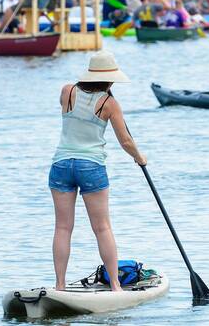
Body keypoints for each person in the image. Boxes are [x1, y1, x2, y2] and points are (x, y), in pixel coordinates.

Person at [49, 51, 146, 292]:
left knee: (62, 228)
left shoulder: (67, 91)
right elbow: (125, 141)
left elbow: (76, 113)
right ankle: (115, 286)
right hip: (90, 166)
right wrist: (139, 157)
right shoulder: (109, 103)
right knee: (102, 228)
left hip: (61, 164)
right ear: (110, 80)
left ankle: (59, 285)